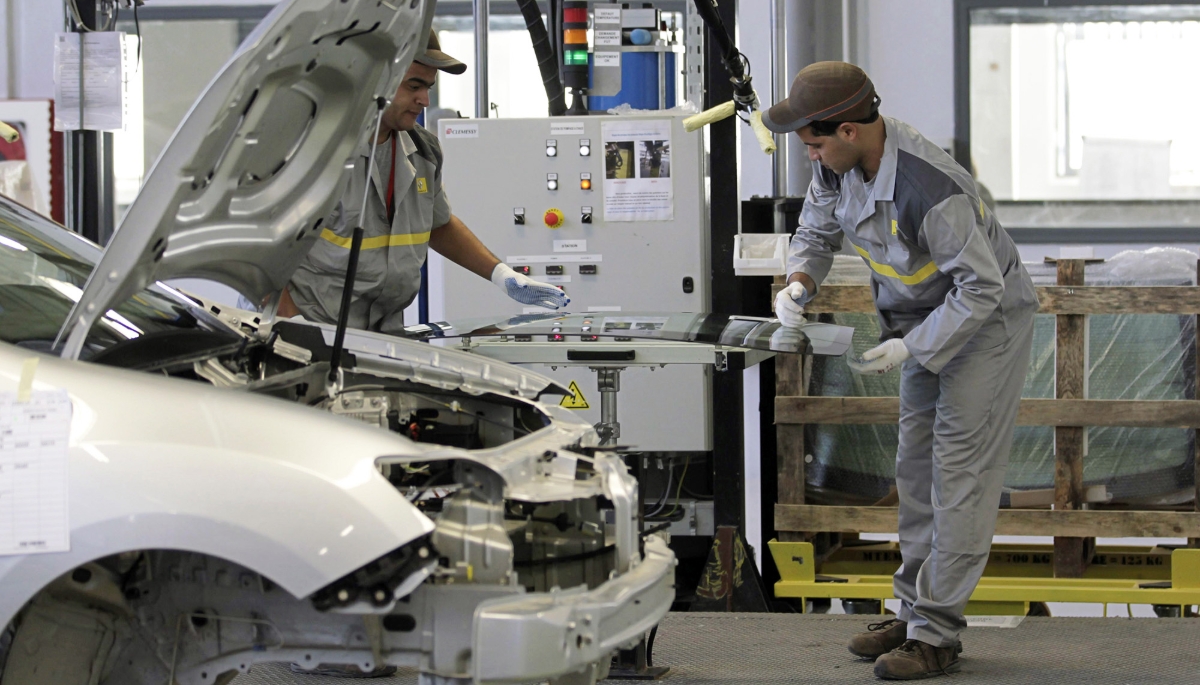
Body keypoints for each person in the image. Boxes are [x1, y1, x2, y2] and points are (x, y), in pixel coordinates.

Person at [764, 62, 1037, 680]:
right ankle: (914, 614)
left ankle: (936, 636)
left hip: (985, 325)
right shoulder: (833, 165)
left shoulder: (930, 187)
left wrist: (913, 348)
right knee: (914, 471)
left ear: (850, 132)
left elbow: (981, 289)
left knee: (959, 475)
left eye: (814, 143)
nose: (809, 155)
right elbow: (815, 231)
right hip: (920, 326)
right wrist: (800, 283)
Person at [279, 31, 568, 331]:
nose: (425, 100)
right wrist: (289, 324)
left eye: (428, 87)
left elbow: (438, 224)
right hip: (312, 331)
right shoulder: (314, 152)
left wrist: (502, 275)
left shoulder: (424, 152)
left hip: (384, 333)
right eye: (414, 86)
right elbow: (258, 250)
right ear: (374, 80)